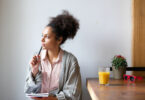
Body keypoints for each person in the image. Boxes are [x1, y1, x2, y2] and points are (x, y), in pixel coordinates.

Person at [24, 10, 82, 100]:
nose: (42, 39)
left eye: (46, 36)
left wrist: (53, 99)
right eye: (42, 35)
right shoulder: (36, 58)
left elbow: (74, 94)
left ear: (59, 40)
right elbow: (28, 91)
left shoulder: (71, 61)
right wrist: (34, 72)